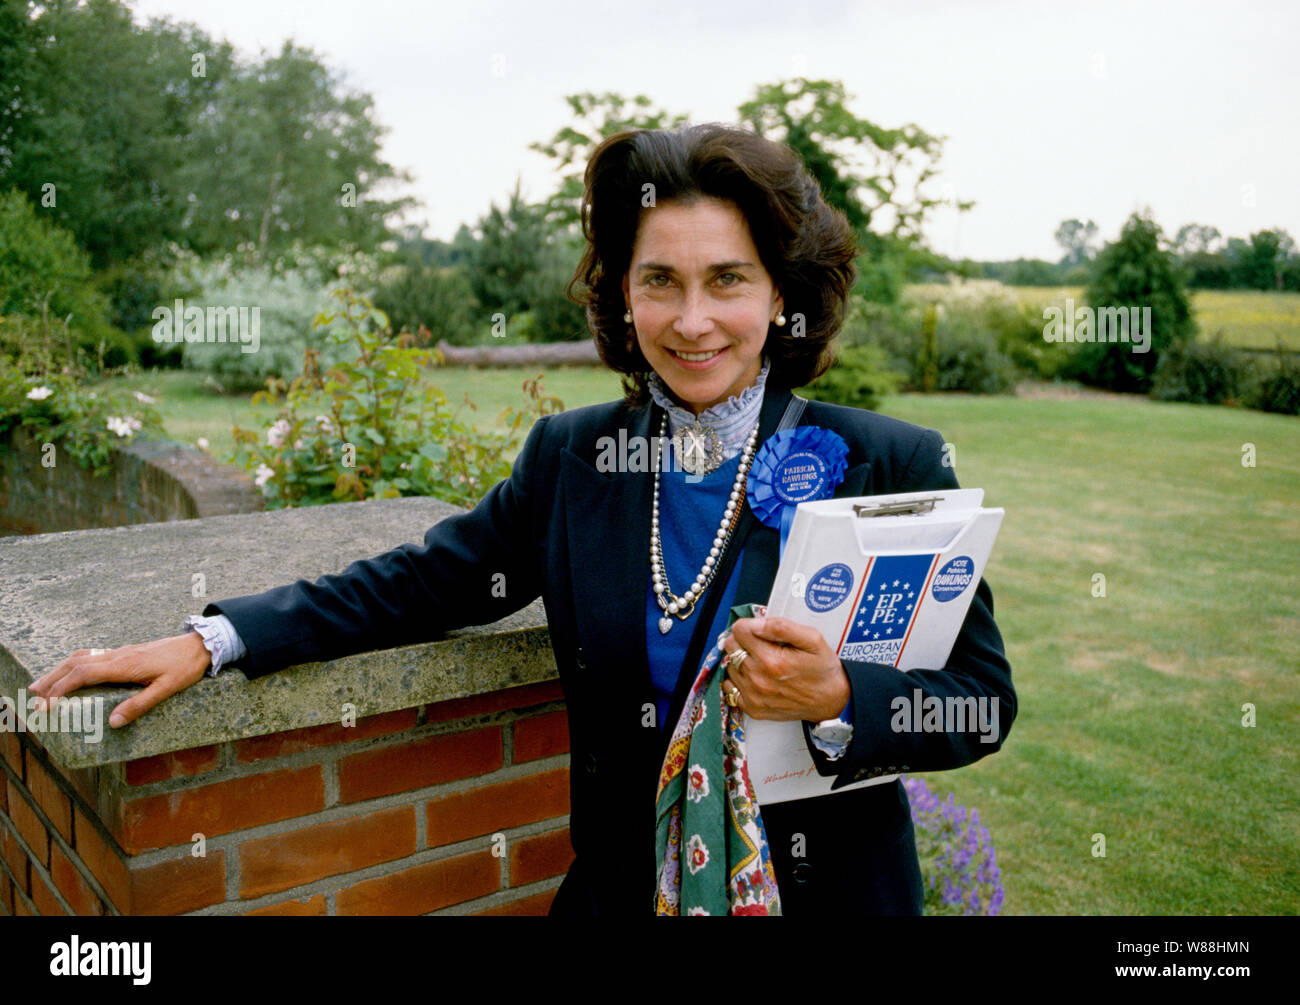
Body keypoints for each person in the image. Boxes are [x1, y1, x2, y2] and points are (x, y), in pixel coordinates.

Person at [31, 122, 1015, 916]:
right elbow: (422, 582)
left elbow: (979, 698)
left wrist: (842, 691)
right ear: (622, 297)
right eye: (657, 281)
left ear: (781, 295)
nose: (690, 319)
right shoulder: (572, 459)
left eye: (727, 280)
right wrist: (216, 638)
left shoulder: (890, 463)